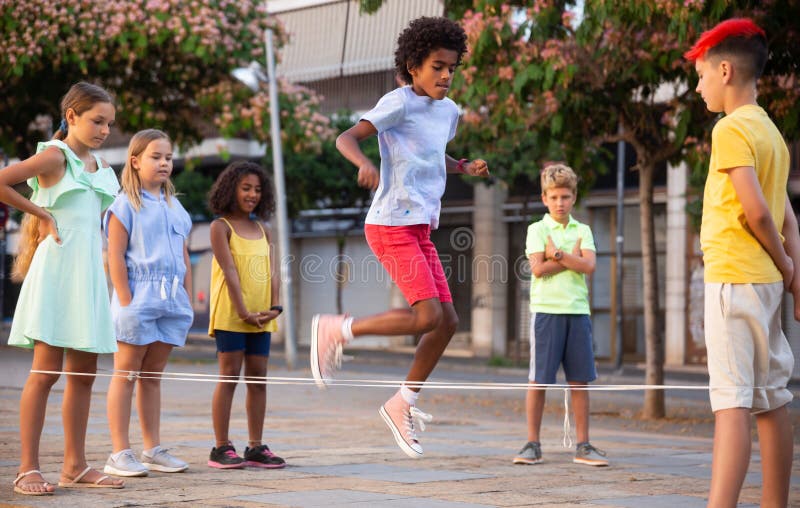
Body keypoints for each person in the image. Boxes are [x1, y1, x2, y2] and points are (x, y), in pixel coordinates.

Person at [312, 16, 490, 459]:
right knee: (428, 315)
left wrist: (463, 166)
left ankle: (401, 402)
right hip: (390, 223)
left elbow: (432, 156)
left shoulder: (448, 113)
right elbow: (346, 137)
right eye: (437, 67)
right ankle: (339, 329)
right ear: (413, 66)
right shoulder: (398, 103)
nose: (446, 75)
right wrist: (362, 163)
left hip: (421, 226)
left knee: (447, 322)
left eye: (452, 67)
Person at [685, 18, 796, 507]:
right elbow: (788, 216)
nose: (698, 85)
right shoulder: (770, 130)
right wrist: (792, 274)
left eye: (702, 74)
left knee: (731, 405)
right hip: (767, 286)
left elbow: (756, 211)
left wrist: (787, 264)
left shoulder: (730, 129)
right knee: (773, 399)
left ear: (725, 70)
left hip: (733, 282)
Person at [0, 82, 125, 495]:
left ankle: (76, 465)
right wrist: (42, 214)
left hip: (88, 276)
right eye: (96, 121)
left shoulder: (103, 169)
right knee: (45, 372)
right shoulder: (54, 156)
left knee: (84, 377)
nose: (104, 130)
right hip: (56, 272)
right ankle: (27, 467)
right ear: (71, 115)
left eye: (109, 123)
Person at [103, 129, 194, 477]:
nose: (164, 163)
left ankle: (152, 448)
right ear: (136, 161)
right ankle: (118, 452)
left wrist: (185, 294)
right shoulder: (125, 204)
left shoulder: (176, 206)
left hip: (172, 301)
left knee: (152, 377)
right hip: (138, 297)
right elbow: (115, 256)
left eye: (168, 157)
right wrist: (126, 300)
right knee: (126, 373)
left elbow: (183, 254)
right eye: (156, 157)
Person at [511, 164, 608, 468]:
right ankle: (532, 444)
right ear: (544, 198)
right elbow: (537, 269)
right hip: (546, 314)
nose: (560, 202)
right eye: (554, 197)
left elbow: (589, 267)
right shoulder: (536, 230)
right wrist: (572, 258)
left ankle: (583, 446)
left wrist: (557, 255)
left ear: (574, 197)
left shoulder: (584, 230)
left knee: (580, 382)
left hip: (577, 312)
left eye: (565, 196)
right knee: (538, 381)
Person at [206, 161, 285, 469]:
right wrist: (243, 312)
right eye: (245, 188)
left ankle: (255, 447)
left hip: (262, 317)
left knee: (258, 380)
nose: (252, 194)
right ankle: (221, 447)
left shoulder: (265, 230)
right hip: (232, 315)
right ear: (231, 189)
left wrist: (275, 308)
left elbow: (274, 272)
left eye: (257, 189)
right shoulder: (220, 227)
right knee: (229, 378)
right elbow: (229, 272)